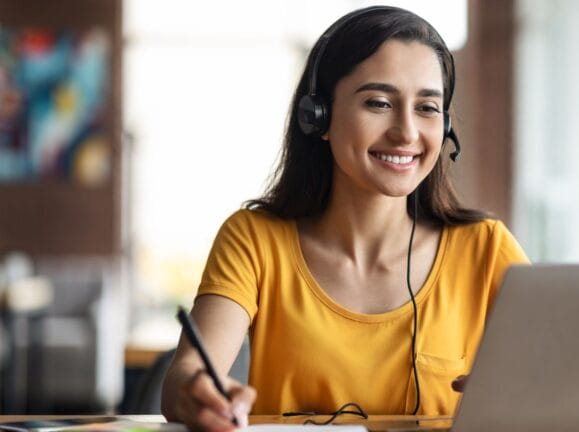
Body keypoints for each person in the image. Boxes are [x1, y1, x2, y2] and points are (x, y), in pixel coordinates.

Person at [161, 5, 528, 431]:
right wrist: (199, 393)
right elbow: (185, 378)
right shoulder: (255, 239)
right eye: (378, 102)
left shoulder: (485, 248)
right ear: (317, 116)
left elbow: (556, 377)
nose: (407, 132)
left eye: (427, 108)